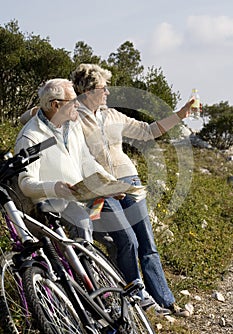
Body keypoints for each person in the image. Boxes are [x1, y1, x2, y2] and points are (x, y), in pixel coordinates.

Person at [20, 70, 194, 317]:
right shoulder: (73, 115)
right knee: (124, 239)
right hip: (95, 186)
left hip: (124, 180)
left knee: (146, 242)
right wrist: (35, 115)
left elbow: (147, 130)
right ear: (88, 92)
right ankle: (132, 294)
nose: (108, 92)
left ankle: (164, 301)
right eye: (103, 88)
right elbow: (38, 116)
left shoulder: (112, 115)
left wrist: (180, 115)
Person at [14, 78, 116, 242]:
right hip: (51, 202)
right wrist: (55, 187)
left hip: (80, 198)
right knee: (83, 225)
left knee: (122, 237)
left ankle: (96, 262)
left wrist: (111, 183)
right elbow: (26, 183)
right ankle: (82, 265)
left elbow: (86, 161)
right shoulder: (30, 137)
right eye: (73, 101)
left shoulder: (72, 125)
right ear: (56, 105)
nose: (78, 104)